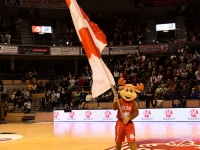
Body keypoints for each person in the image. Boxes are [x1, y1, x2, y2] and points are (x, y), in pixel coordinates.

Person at [113, 78, 143, 150]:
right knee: (118, 141)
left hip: (129, 124)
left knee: (132, 141)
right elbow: (114, 108)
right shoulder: (120, 101)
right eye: (127, 90)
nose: (129, 93)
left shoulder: (134, 103)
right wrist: (115, 102)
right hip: (120, 123)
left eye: (131, 91)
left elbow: (136, 113)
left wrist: (129, 118)